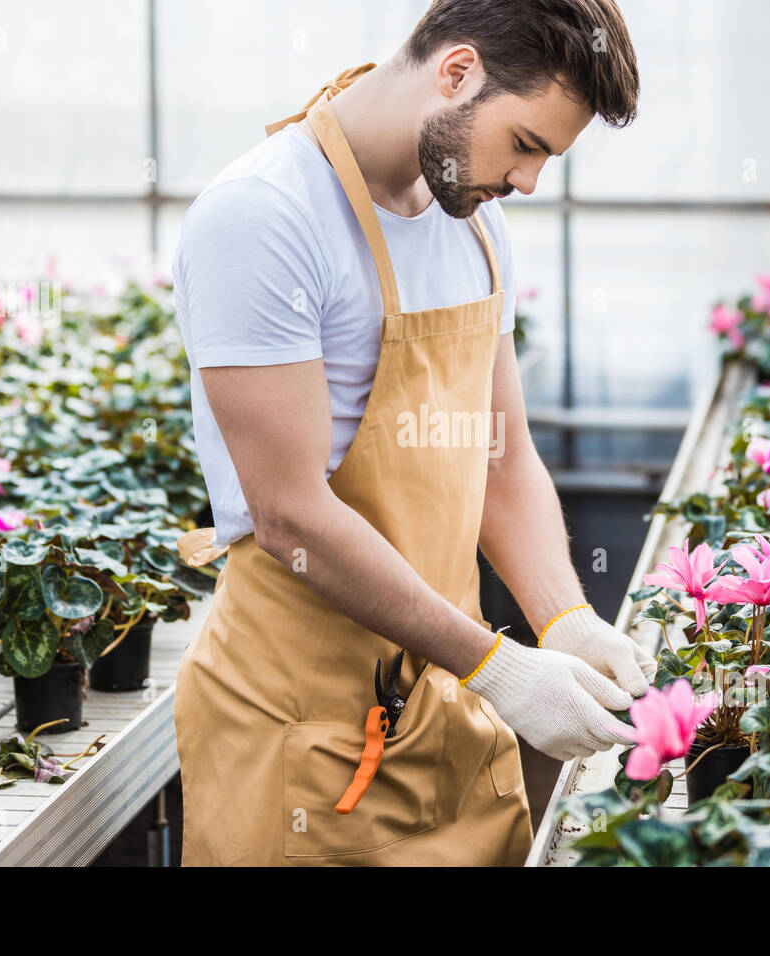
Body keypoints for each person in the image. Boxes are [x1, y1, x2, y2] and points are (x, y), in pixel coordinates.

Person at [171, 0, 652, 866]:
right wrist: (498, 667)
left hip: (447, 709)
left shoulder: (474, 223)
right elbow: (289, 516)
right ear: (457, 73)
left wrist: (566, 619)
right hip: (303, 735)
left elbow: (502, 459)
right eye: (528, 145)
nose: (530, 181)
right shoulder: (264, 217)